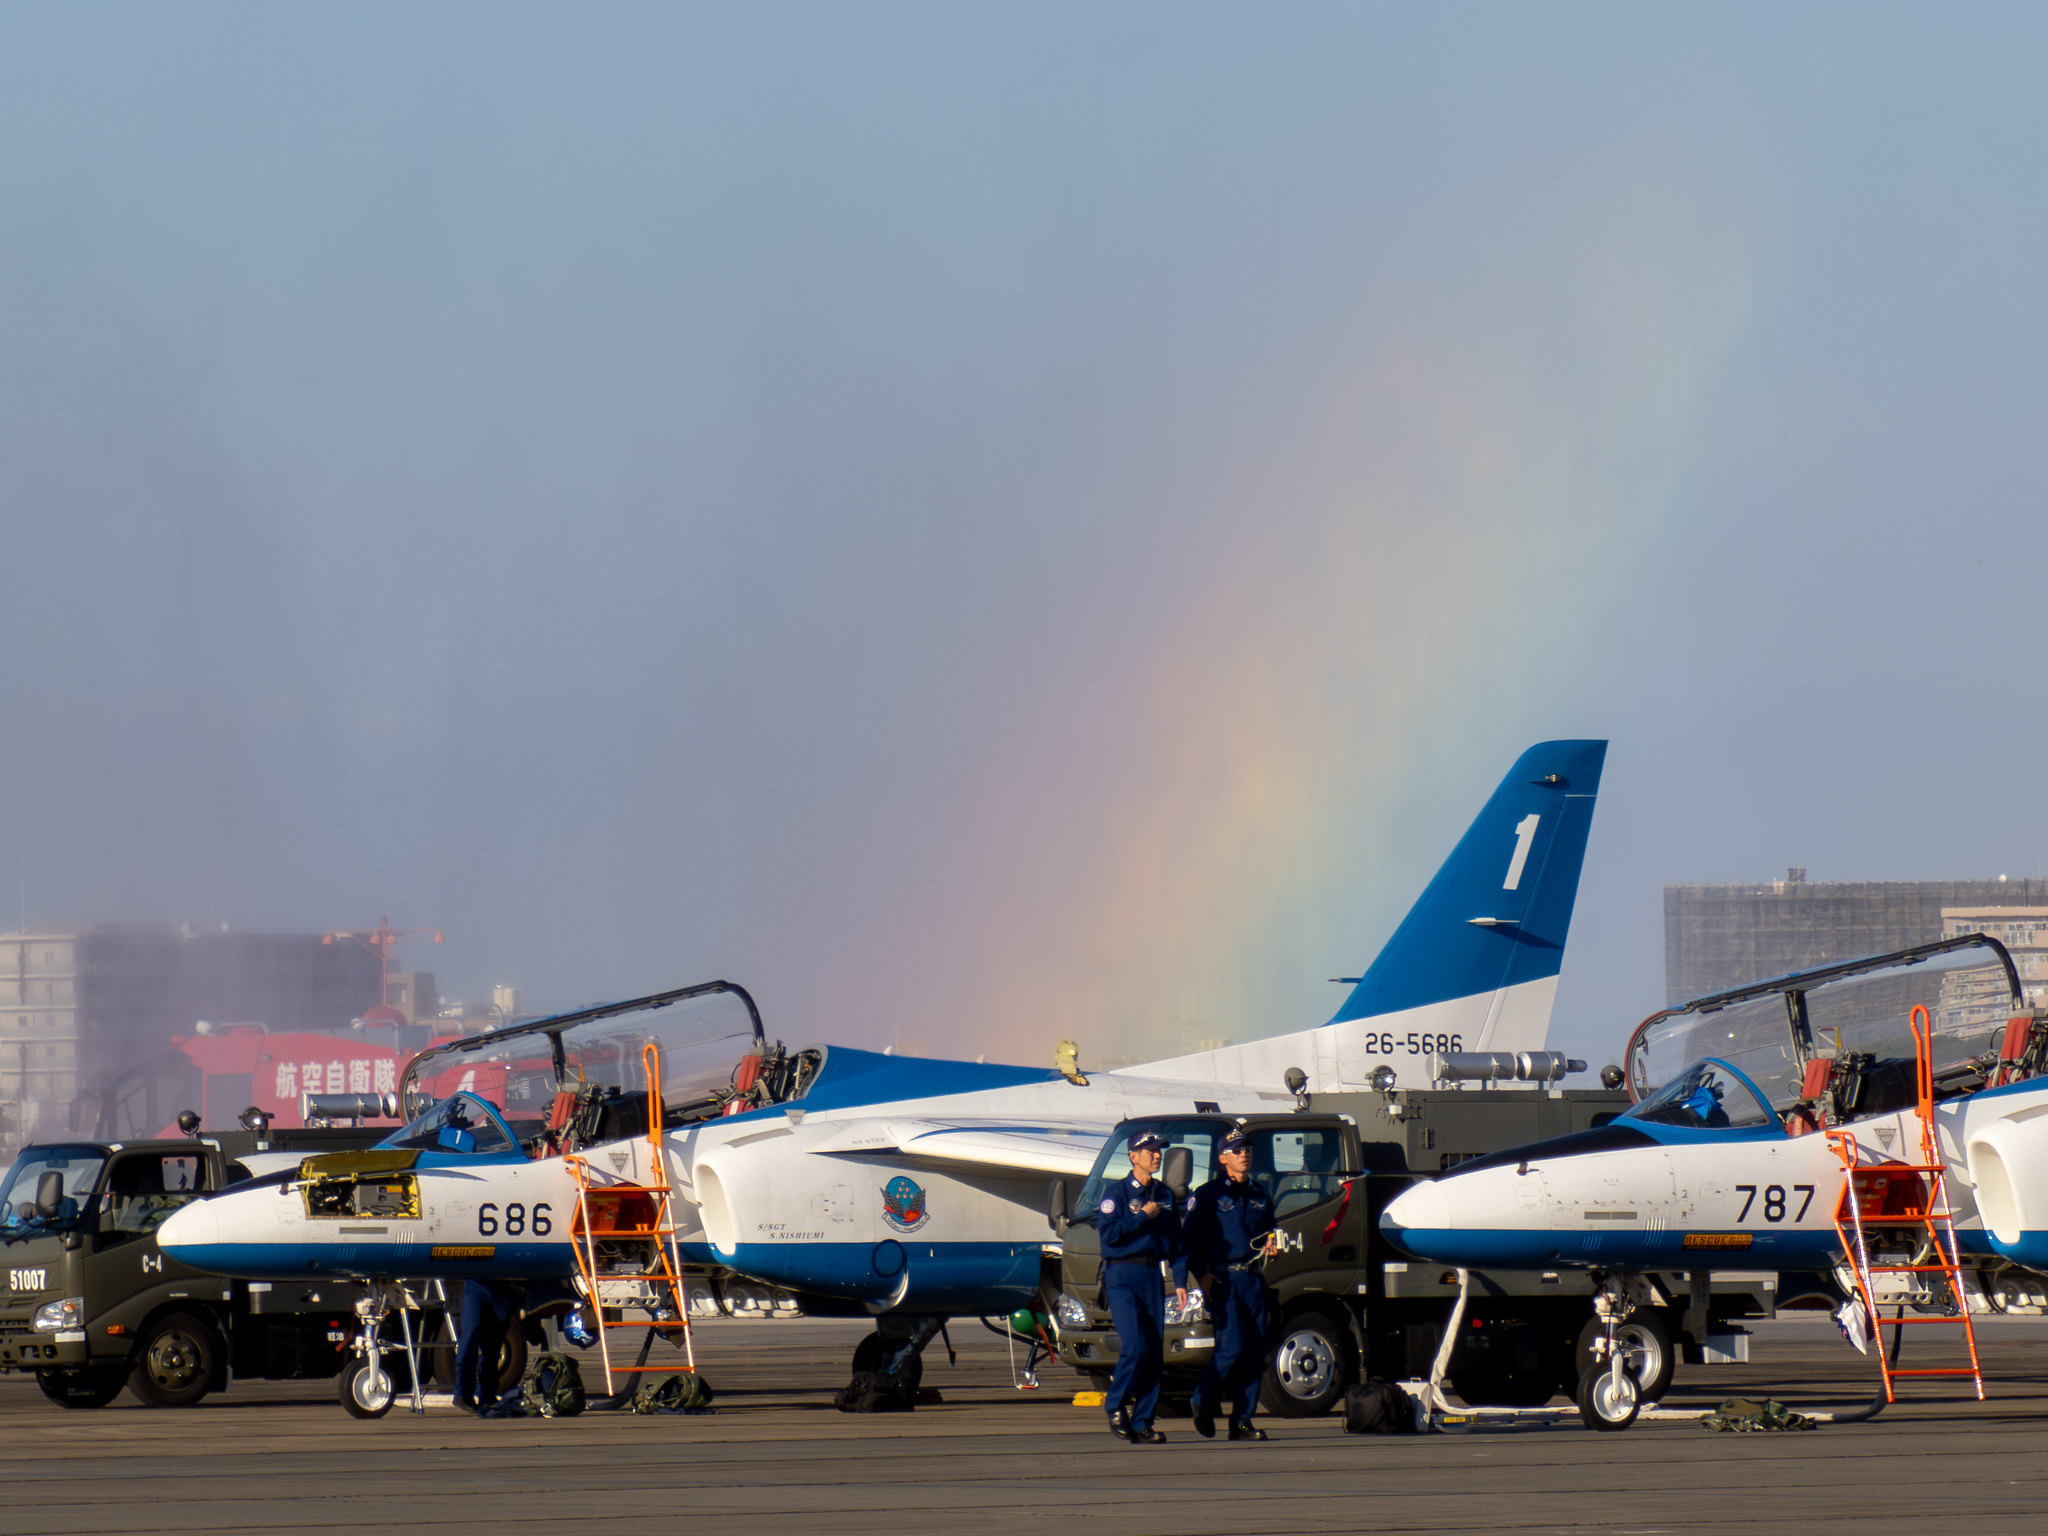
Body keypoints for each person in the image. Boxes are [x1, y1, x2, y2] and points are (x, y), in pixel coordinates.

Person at [1180, 1125, 1280, 1441]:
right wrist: (1201, 1274)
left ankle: (1241, 1421)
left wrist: (1272, 1245)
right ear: (1223, 1157)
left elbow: (1269, 1230)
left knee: (1255, 1350)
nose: (1244, 1154)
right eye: (1237, 1150)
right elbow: (1188, 1240)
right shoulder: (1209, 1194)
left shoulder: (1260, 1193)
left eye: (1247, 1149)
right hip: (1222, 1278)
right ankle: (1204, 1399)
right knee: (1231, 1345)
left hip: (1252, 1278)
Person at [1095, 1129, 1185, 1444]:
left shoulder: (1164, 1195)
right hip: (1121, 1275)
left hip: (1151, 1276)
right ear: (1133, 1156)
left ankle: (1144, 1421)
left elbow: (1176, 1244)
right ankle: (1115, 1404)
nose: (1156, 1155)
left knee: (1153, 1353)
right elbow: (1109, 1237)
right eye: (1149, 1151)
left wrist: (1182, 1280)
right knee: (1134, 1346)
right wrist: (1142, 1217)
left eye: (1159, 1150)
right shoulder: (1116, 1194)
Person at [453, 1277, 520, 1413]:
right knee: (471, 1335)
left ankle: (487, 1396)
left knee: (493, 1347)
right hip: (476, 1284)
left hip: (503, 1290)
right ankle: (463, 1394)